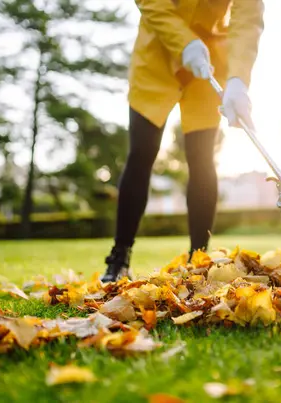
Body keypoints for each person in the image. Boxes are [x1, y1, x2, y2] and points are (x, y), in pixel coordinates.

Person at [101, 0, 265, 282]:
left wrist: (238, 79)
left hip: (211, 59)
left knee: (202, 160)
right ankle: (120, 256)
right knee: (141, 152)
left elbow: (247, 15)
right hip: (157, 52)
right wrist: (184, 41)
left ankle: (198, 261)